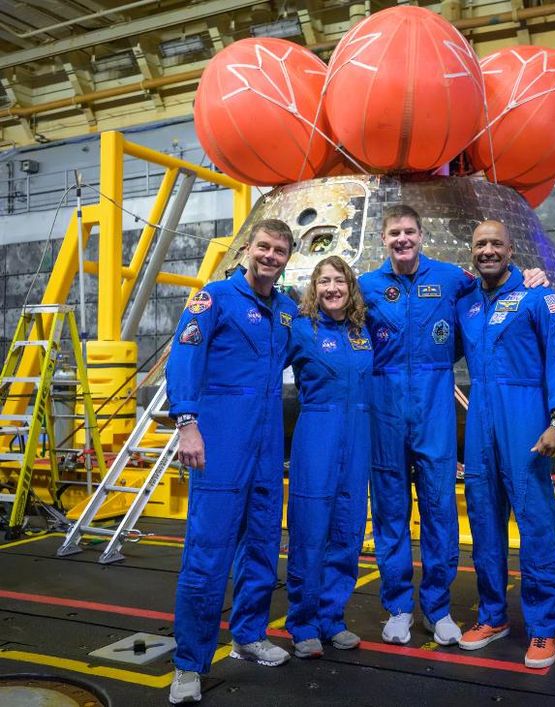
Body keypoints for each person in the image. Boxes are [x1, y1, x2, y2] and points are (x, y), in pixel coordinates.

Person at [358, 205, 547, 646]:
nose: (402, 239)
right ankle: (400, 607)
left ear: (422, 235)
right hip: (384, 409)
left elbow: (496, 284)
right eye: (394, 234)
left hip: (435, 408)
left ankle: (438, 608)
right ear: (383, 239)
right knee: (390, 514)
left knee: (440, 512)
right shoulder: (365, 288)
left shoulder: (451, 280)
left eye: (409, 231)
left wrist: (533, 275)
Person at [166, 219, 297, 704]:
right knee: (208, 553)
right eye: (264, 247)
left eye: (279, 250)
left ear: (287, 258)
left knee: (262, 543)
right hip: (220, 438)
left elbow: (328, 331)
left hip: (266, 444)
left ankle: (248, 634)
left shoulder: (286, 310)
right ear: (248, 249)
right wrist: (187, 422)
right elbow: (184, 358)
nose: (270, 256)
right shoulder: (213, 297)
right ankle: (188, 663)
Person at [455, 220, 555, 669]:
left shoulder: (537, 295)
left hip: (526, 415)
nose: (488, 250)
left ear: (511, 249)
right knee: (484, 523)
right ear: (473, 251)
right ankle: (492, 617)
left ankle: (544, 629)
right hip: (481, 417)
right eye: (480, 244)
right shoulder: (466, 302)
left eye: (496, 244)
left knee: (535, 522)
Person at [284, 256, 373, 659]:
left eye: (339, 280)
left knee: (348, 528)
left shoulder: (362, 329)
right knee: (310, 529)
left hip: (358, 435)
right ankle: (302, 623)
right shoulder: (300, 329)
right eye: (324, 281)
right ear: (313, 287)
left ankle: (332, 618)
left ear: (350, 286)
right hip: (317, 433)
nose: (332, 288)